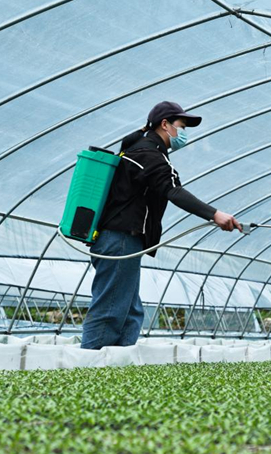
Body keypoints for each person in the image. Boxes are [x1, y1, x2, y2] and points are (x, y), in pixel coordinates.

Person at [80, 101, 241, 350]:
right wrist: (214, 214)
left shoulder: (141, 151)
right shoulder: (146, 153)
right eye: (181, 125)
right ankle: (89, 367)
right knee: (110, 309)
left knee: (130, 312)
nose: (183, 132)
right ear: (164, 125)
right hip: (119, 238)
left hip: (123, 239)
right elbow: (172, 190)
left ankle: (118, 367)